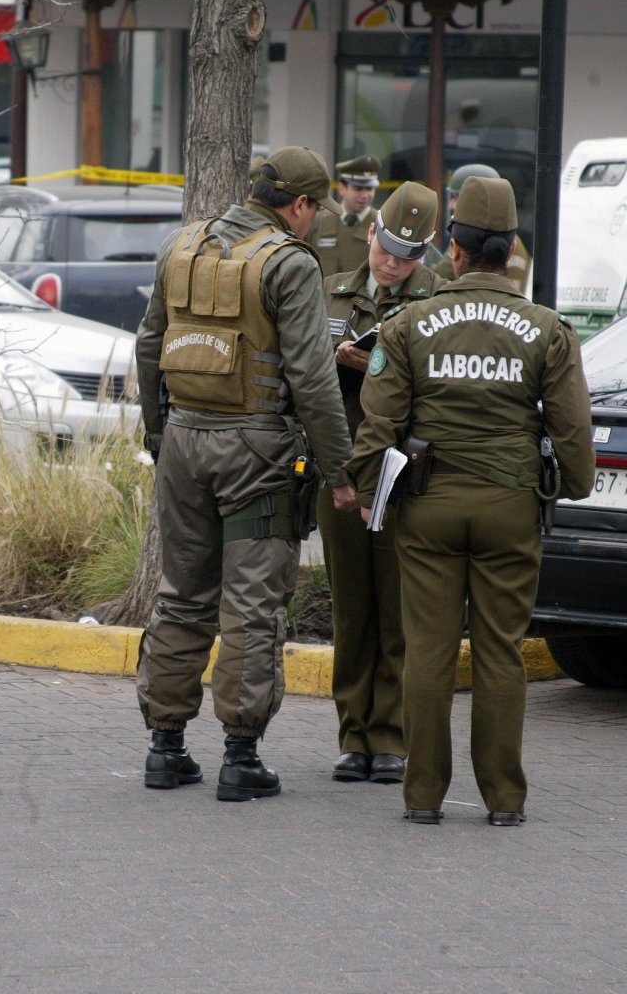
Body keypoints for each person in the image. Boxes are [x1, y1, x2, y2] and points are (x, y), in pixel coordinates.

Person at [345, 176, 595, 826]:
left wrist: (369, 494)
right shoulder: (546, 330)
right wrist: (570, 486)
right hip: (511, 506)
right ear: (510, 247)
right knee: (500, 649)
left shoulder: (408, 325)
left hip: (428, 506)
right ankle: (504, 800)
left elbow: (378, 422)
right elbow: (572, 434)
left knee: (427, 648)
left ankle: (423, 795)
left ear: (452, 251)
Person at [135, 146, 357, 802]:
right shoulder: (288, 263)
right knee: (252, 604)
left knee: (183, 593)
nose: (314, 223)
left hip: (182, 443)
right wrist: (341, 469)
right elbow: (314, 379)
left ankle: (165, 748)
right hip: (258, 454)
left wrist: (157, 433)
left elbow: (149, 344)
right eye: (316, 210)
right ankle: (240, 755)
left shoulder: (181, 247)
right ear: (300, 205)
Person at [319, 182, 446, 786]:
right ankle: (353, 734)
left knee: (397, 609)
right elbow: (301, 376)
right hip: (343, 465)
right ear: (371, 233)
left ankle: (390, 736)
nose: (392, 263)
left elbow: (440, 391)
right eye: (386, 248)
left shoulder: (437, 302)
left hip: (404, 471)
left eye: (407, 255)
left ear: (428, 253)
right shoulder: (333, 290)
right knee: (352, 609)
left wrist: (371, 364)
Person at [433, 163, 532, 295]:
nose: (451, 205)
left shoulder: (468, 243)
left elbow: (434, 279)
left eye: (457, 198)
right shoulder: (514, 242)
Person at [307, 155, 381, 278]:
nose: (364, 195)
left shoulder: (381, 225)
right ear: (342, 189)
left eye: (369, 189)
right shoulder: (318, 221)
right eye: (358, 189)